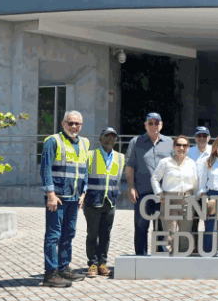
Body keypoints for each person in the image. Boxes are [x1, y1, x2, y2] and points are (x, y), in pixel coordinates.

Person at [40, 110, 89, 286]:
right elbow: (45, 169)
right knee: (53, 236)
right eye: (70, 123)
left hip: (74, 197)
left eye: (77, 124)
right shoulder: (53, 141)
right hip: (58, 197)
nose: (74, 126)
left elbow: (84, 171)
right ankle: (50, 274)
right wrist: (50, 194)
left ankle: (64, 268)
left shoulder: (84, 143)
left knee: (69, 234)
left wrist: (83, 193)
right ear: (63, 124)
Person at [125, 113, 174, 255]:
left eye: (156, 122)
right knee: (141, 227)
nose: (154, 125)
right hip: (142, 192)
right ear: (145, 125)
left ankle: (161, 257)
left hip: (163, 194)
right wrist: (131, 187)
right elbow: (129, 166)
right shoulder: (136, 142)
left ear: (161, 124)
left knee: (162, 228)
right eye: (150, 123)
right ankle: (141, 257)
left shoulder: (169, 143)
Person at [83, 127, 125, 278]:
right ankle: (93, 264)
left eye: (113, 137)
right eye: (107, 137)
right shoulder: (90, 155)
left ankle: (102, 263)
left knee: (106, 234)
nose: (110, 140)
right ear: (100, 139)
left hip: (110, 201)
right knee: (92, 234)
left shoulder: (120, 157)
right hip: (92, 200)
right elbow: (84, 177)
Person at [151, 136, 199, 253]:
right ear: (174, 146)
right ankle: (167, 262)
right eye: (178, 145)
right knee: (169, 233)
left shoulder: (191, 163)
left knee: (185, 233)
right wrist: (159, 193)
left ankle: (182, 261)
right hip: (169, 199)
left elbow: (195, 183)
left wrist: (197, 200)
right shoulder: (165, 162)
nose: (181, 148)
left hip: (187, 199)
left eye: (184, 145)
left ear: (188, 148)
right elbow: (154, 178)